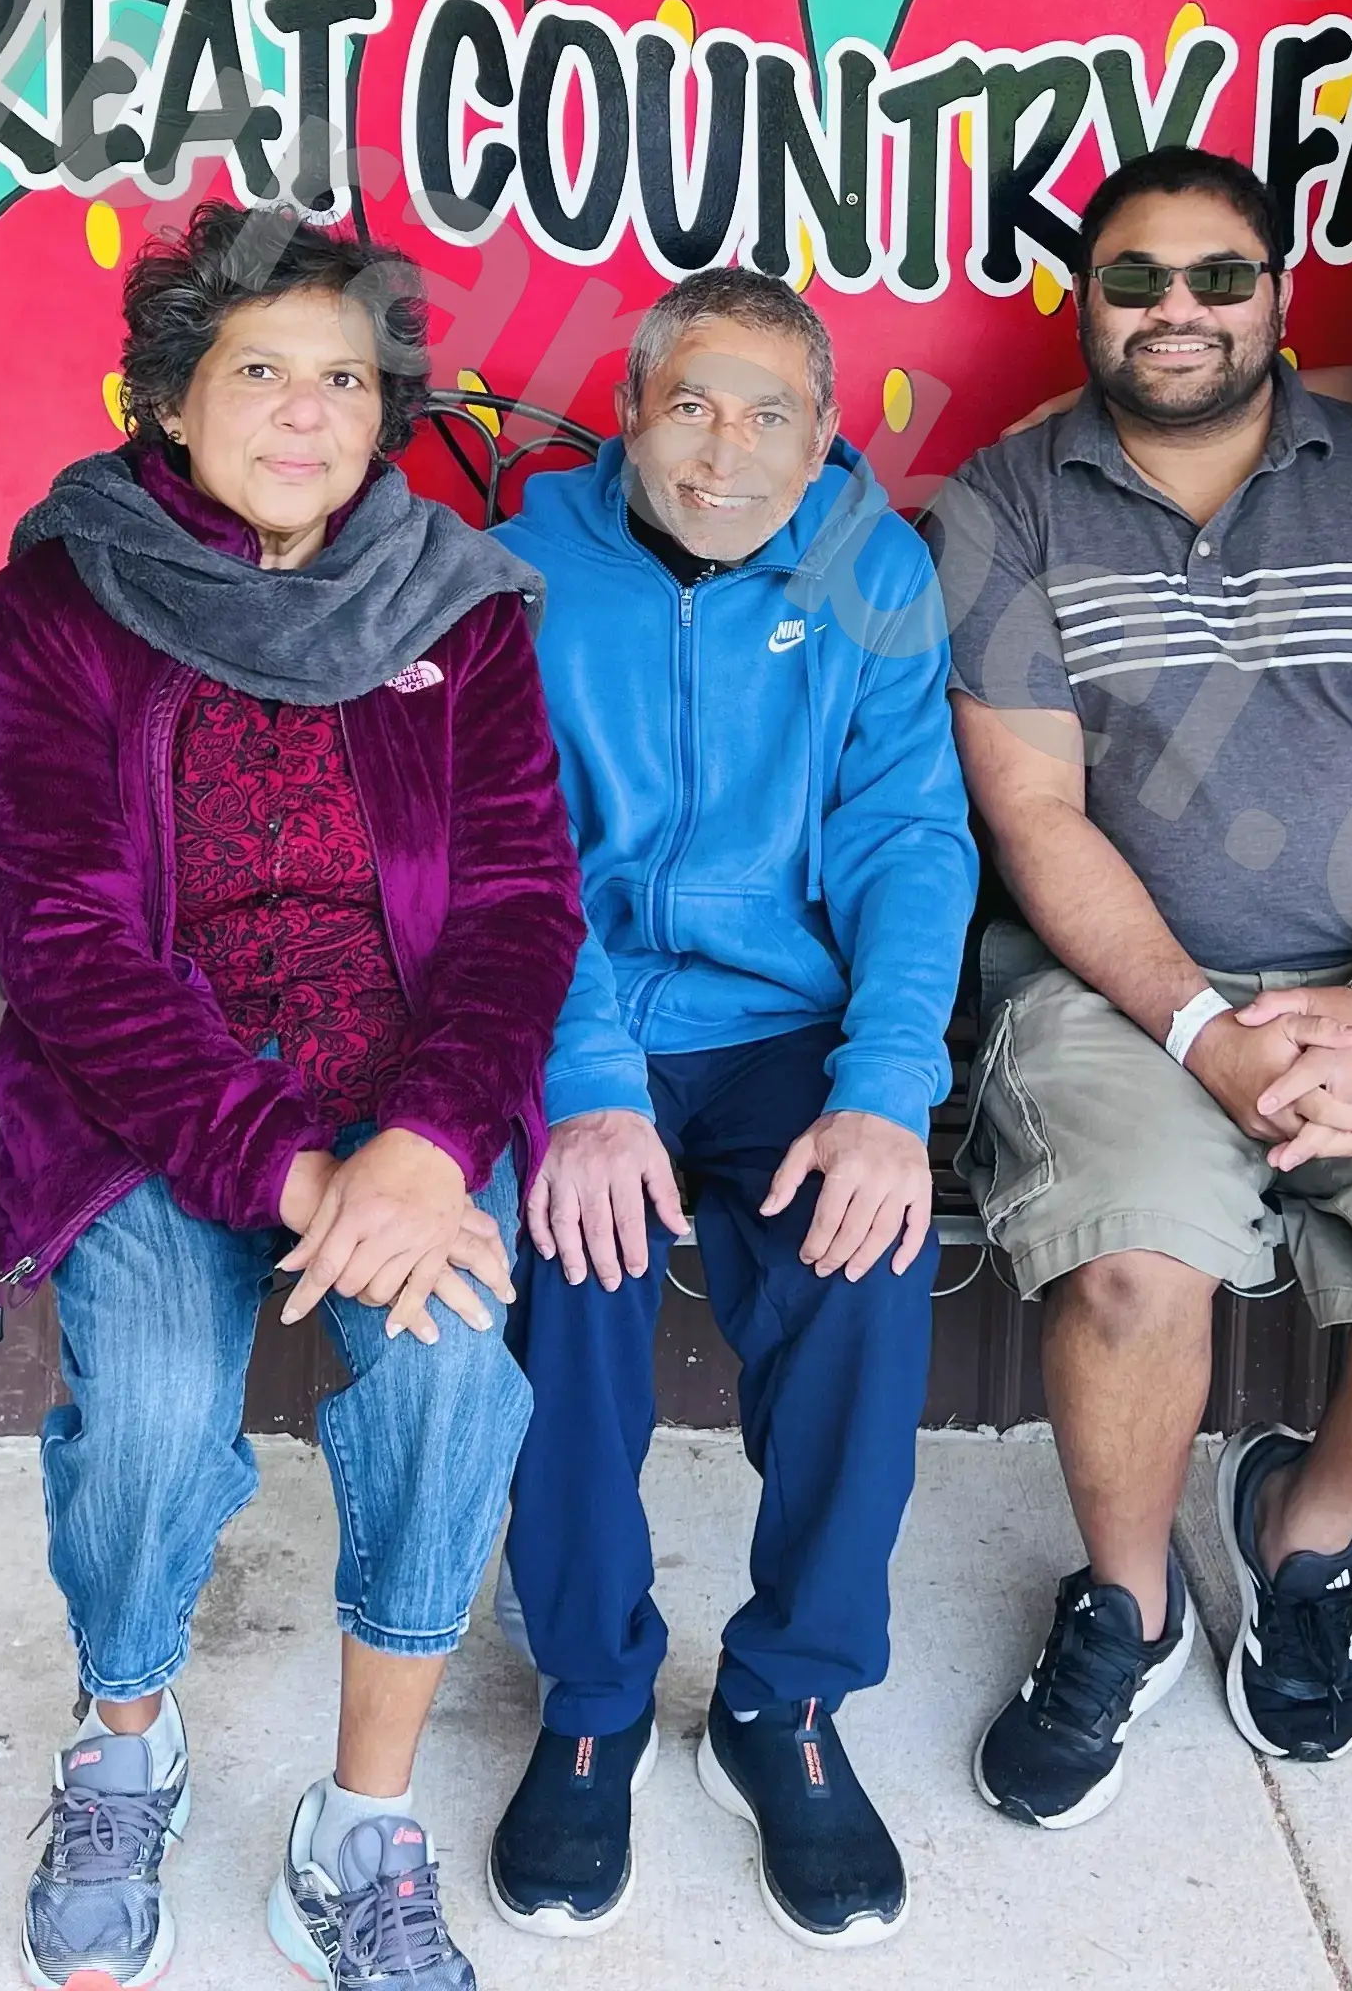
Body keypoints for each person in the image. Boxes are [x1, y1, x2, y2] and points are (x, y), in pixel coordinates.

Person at [921, 148, 1352, 1825]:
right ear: (1087, 300)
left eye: (1219, 276)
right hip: (1118, 995)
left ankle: (1304, 1531)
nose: (1178, 311)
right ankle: (1128, 1609)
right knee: (1138, 1271)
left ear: (1283, 294)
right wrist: (1207, 1031)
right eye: (1137, 278)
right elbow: (1034, 810)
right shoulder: (1005, 511)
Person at [0, 197, 582, 1991]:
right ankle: (126, 1737)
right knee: (154, 1405)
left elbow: (521, 903)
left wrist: (420, 1144)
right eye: (262, 373)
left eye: (344, 380)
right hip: (153, 1099)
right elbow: (66, 933)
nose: (307, 413)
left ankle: (360, 1821)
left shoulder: (449, 608)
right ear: (170, 399)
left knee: (456, 1372)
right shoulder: (62, 599)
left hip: (404, 1102)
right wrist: (285, 1170)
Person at [483, 265, 976, 1950]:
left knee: (863, 1256)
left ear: (827, 436)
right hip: (579, 1011)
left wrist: (889, 1090)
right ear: (627, 415)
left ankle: (789, 1701)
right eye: (689, 400)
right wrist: (588, 1084)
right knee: (577, 1266)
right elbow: (503, 860)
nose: (726, 445)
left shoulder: (871, 569)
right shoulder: (525, 573)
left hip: (790, 1024)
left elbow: (913, 841)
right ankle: (595, 1692)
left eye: (772, 412)